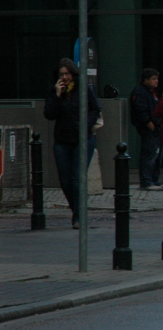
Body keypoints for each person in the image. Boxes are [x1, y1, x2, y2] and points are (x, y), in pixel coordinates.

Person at [43, 58, 101, 228]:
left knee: (77, 178)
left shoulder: (84, 88)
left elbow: (95, 108)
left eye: (67, 73)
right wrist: (57, 95)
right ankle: (77, 211)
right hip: (62, 140)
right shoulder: (55, 91)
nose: (65, 77)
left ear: (73, 74)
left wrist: (85, 126)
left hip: (83, 140)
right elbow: (49, 114)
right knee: (65, 180)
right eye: (61, 74)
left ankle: (79, 216)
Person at [129, 68, 163, 190]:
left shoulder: (150, 92)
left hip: (154, 127)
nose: (156, 81)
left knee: (155, 153)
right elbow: (140, 110)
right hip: (148, 128)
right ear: (146, 80)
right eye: (153, 79)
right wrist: (149, 124)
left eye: (157, 79)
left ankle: (153, 179)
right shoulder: (140, 92)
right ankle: (146, 180)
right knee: (149, 153)